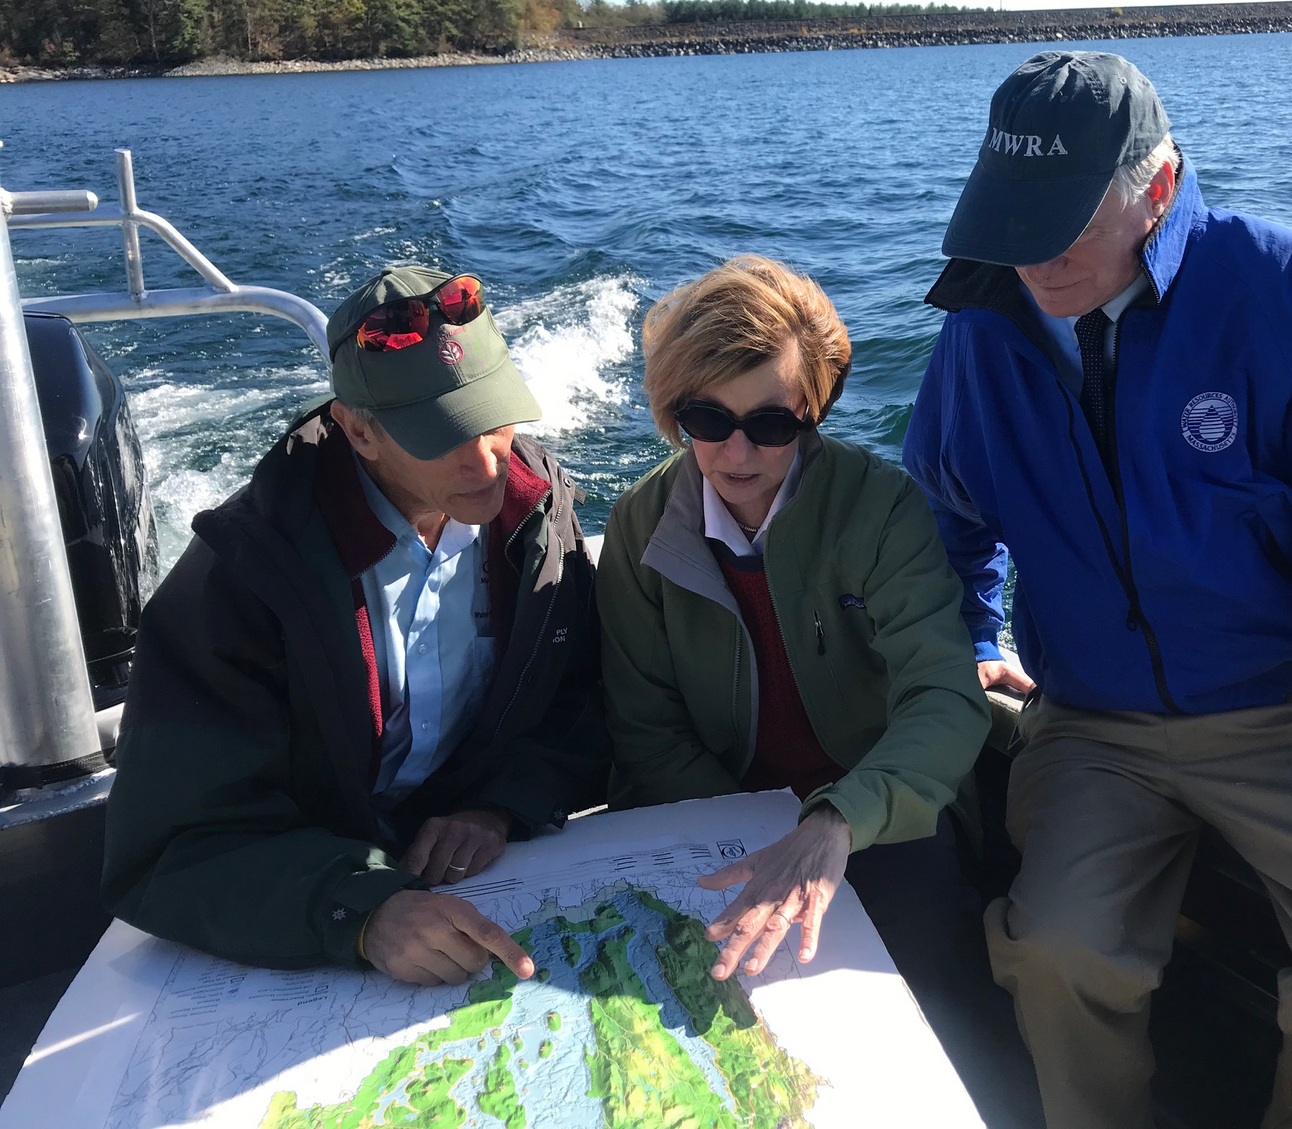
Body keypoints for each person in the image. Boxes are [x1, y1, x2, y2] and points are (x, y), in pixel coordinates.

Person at [903, 52, 1292, 1128]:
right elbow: (942, 520)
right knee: (1052, 953)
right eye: (1012, 216)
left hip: (1285, 709)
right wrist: (968, 633)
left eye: (1067, 221)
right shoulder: (978, 329)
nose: (1035, 256)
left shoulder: (1290, 291)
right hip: (1089, 721)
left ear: (1159, 186)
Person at [597, 254, 1044, 1125]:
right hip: (716, 819)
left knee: (936, 1008)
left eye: (769, 422)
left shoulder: (881, 510)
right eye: (705, 418)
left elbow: (941, 698)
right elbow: (645, 727)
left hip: (879, 818)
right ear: (671, 413)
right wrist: (759, 838)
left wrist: (834, 822)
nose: (736, 451)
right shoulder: (640, 529)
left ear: (813, 412)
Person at [103, 266, 609, 988]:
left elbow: (577, 700)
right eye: (443, 435)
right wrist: (361, 911)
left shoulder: (539, 516)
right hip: (314, 897)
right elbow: (170, 846)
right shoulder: (242, 579)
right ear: (358, 431)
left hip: (484, 879)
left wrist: (497, 803)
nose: (487, 459)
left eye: (495, 416)